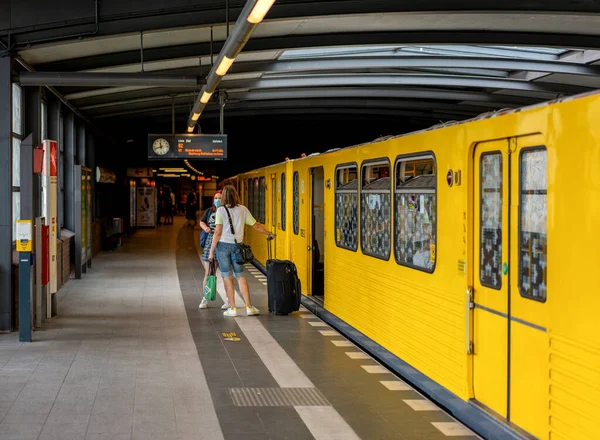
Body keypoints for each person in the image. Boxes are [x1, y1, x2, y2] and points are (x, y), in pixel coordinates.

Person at [209, 185, 274, 317]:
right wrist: (269, 233)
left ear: (224, 197)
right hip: (237, 246)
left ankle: (232, 308)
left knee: (227, 277)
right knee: (240, 276)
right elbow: (255, 225)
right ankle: (249, 307)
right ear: (236, 195)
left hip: (222, 247)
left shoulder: (220, 211)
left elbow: (217, 232)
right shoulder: (243, 209)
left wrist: (211, 251)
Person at [199, 191, 224, 309]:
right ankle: (205, 298)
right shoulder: (209, 211)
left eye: (220, 198)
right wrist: (206, 228)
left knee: (225, 274)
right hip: (210, 241)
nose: (217, 200)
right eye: (215, 198)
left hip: (223, 242)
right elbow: (201, 221)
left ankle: (229, 300)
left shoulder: (226, 211)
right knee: (208, 272)